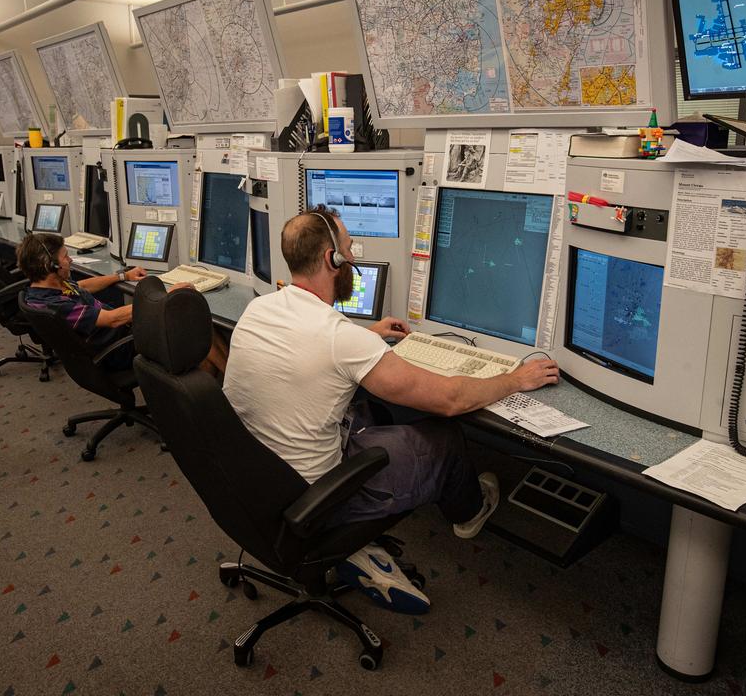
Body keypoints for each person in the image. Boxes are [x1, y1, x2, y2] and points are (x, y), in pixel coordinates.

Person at [222, 206, 558, 614]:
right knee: (446, 439)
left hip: (257, 479)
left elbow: (312, 356)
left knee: (369, 413)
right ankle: (471, 512)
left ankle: (352, 545)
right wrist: (516, 380)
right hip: (318, 495)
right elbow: (449, 400)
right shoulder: (338, 337)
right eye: (348, 249)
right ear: (334, 260)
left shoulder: (261, 309)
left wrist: (368, 337)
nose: (353, 257)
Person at [18, 233, 227, 376]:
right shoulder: (56, 307)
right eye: (65, 257)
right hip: (120, 348)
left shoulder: (42, 290)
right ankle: (235, 392)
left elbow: (82, 286)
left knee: (197, 341)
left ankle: (205, 404)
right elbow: (113, 319)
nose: (70, 260)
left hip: (115, 340)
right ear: (51, 265)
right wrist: (169, 296)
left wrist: (122, 275)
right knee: (196, 328)